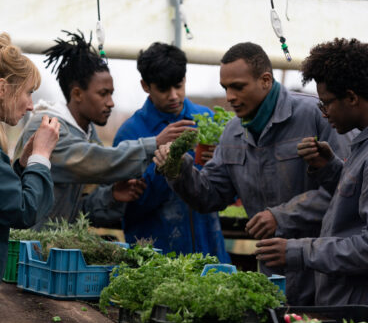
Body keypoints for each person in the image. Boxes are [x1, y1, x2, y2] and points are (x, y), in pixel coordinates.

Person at [153, 42, 352, 305]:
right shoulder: (233, 132)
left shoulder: (317, 114)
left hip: (324, 271)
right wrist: (179, 170)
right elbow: (210, 195)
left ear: (266, 80)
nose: (230, 96)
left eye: (238, 86)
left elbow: (345, 192)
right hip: (273, 275)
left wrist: (280, 216)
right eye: (225, 88)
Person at [14, 31, 194, 230]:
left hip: (55, 249)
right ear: (77, 94)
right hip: (26, 250)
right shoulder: (46, 127)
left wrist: (113, 195)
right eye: (103, 94)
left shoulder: (87, 133)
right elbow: (90, 160)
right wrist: (153, 144)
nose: (110, 103)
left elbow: (81, 212)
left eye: (112, 94)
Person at [255, 38, 368, 305]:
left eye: (326, 103)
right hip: (341, 300)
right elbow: (352, 208)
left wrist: (298, 251)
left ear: (351, 97)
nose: (325, 114)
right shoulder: (361, 144)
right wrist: (330, 170)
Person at [0, 34, 60, 323]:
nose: (31, 105)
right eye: (28, 92)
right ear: (1, 88)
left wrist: (21, 165)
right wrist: (41, 158)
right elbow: (21, 210)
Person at [113, 42, 230, 262]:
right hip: (158, 254)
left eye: (178, 85)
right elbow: (129, 205)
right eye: (163, 89)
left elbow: (225, 188)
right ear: (145, 86)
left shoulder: (206, 120)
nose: (174, 95)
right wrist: (164, 165)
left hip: (210, 250)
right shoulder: (131, 133)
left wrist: (218, 162)